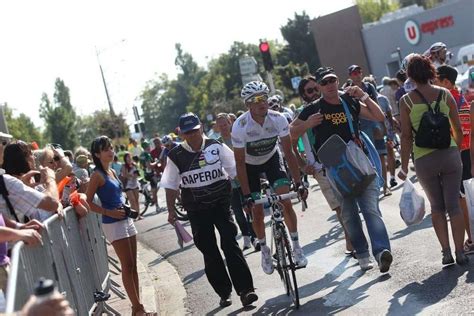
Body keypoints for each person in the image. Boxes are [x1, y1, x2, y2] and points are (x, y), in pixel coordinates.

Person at [291, 67, 393, 272]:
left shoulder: (349, 101)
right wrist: (307, 125)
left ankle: (382, 252)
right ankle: (363, 254)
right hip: (337, 170)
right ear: (319, 86)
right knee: (350, 214)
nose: (329, 85)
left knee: (371, 210)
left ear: (338, 81)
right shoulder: (313, 109)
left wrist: (362, 94)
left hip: (360, 164)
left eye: (332, 80)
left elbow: (378, 116)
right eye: (325, 82)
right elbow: (290, 133)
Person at [162, 113, 258, 308]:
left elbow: (235, 170)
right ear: (182, 134)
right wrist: (171, 210)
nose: (193, 136)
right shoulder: (175, 155)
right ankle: (224, 292)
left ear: (201, 128)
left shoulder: (216, 146)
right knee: (209, 250)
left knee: (230, 244)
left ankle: (246, 290)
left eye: (195, 131)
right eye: (188, 133)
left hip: (221, 204)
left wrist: (247, 194)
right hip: (196, 210)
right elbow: (171, 185)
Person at [398, 54, 468, 265]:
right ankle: (460, 252)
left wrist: (402, 166)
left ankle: (445, 252)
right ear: (431, 71)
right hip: (449, 155)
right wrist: (454, 149)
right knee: (454, 204)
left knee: (437, 207)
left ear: (410, 75)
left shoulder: (406, 100)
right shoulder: (446, 94)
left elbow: (406, 136)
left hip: (423, 158)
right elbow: (457, 128)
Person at [232, 81, 308, 275]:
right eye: (256, 100)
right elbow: (239, 163)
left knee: (286, 201)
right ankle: (265, 250)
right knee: (257, 210)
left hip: (272, 159)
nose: (262, 103)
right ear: (248, 105)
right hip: (249, 166)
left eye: (264, 98)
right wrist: (246, 195)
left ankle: (297, 246)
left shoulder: (278, 118)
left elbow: (289, 152)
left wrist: (298, 183)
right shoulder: (240, 126)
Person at [86, 136, 156, 316]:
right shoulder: (97, 175)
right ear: (97, 154)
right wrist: (109, 213)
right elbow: (88, 203)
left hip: (126, 219)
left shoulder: (112, 172)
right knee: (127, 265)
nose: (111, 151)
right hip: (112, 223)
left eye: (111, 147)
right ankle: (137, 308)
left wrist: (127, 207)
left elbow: (118, 194)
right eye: (106, 149)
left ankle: (138, 307)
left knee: (133, 265)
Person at [293, 76, 354, 256]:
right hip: (320, 166)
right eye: (309, 91)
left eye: (315, 89)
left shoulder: (335, 103)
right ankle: (352, 241)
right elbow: (290, 139)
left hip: (345, 160)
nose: (313, 93)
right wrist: (303, 165)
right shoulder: (303, 113)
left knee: (351, 202)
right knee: (339, 207)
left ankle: (354, 241)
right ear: (304, 95)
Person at [435, 64, 473, 254]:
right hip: (466, 154)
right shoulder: (460, 100)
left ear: (446, 82)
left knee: (462, 199)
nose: (433, 84)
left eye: (436, 80)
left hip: (460, 155)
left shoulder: (453, 102)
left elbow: (461, 134)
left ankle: (472, 239)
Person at [216, 113, 257, 251]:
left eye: (225, 124)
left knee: (250, 208)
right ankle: (246, 236)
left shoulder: (238, 137)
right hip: (230, 185)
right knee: (238, 213)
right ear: (217, 127)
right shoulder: (217, 143)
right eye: (220, 125)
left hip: (244, 179)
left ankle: (255, 237)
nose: (223, 127)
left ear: (230, 123)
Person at [121, 152, 140, 219]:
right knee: (132, 201)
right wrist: (130, 175)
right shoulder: (124, 166)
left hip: (135, 184)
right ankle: (133, 216)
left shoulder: (134, 165)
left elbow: (137, 173)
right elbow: (124, 175)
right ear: (125, 159)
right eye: (127, 157)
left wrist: (136, 175)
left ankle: (138, 215)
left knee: (137, 200)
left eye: (130, 157)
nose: (129, 158)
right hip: (128, 185)